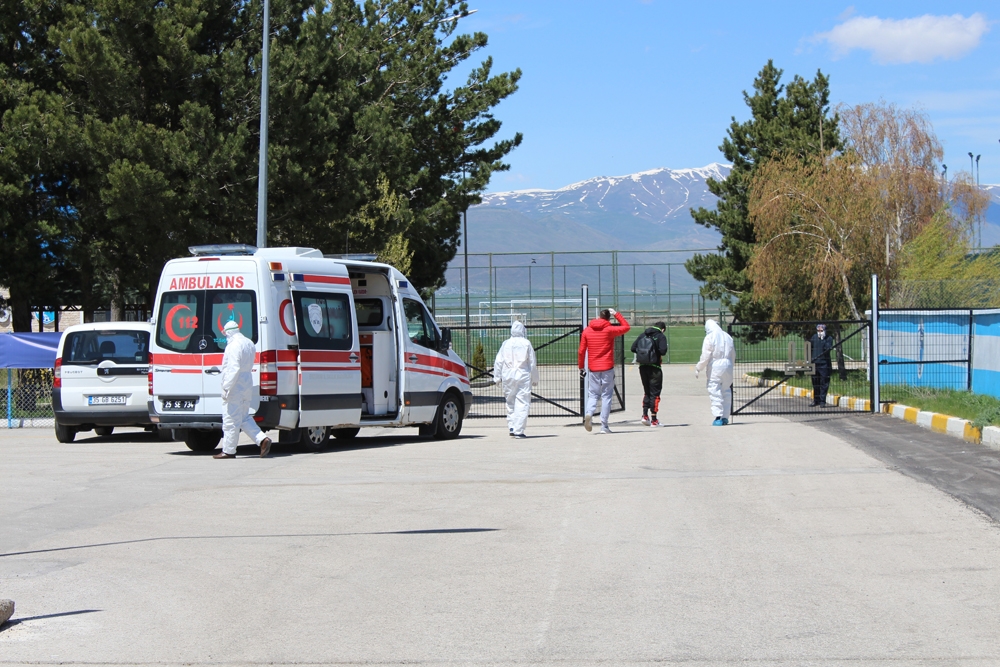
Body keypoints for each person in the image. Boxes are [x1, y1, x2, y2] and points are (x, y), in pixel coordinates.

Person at [214, 320, 273, 459]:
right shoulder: (249, 343)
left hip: (235, 386)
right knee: (243, 417)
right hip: (246, 384)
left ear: (228, 332)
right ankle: (262, 439)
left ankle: (228, 450)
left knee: (230, 419)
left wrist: (226, 387)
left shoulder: (233, 346)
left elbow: (233, 368)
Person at [578, 307, 630, 434]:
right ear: (608, 318)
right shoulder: (609, 330)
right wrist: (617, 314)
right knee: (607, 395)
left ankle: (589, 413)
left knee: (593, 394)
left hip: (593, 367)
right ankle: (604, 425)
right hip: (607, 366)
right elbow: (626, 327)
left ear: (598, 317)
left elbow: (581, 351)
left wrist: (581, 366)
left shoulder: (587, 331)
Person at [493, 321, 539, 438]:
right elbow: (532, 362)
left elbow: (499, 361)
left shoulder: (506, 343)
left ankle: (512, 426)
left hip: (507, 374)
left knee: (510, 401)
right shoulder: (526, 343)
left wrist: (497, 377)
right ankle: (519, 430)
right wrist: (535, 378)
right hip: (522, 374)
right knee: (522, 402)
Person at [694, 319, 735, 426]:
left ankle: (718, 417)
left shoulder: (710, 337)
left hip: (715, 366)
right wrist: (731, 366)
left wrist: (699, 367)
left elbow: (705, 356)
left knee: (714, 390)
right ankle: (725, 417)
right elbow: (733, 354)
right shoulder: (727, 336)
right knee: (726, 390)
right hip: (728, 365)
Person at [630, 321, 668, 426]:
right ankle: (654, 419)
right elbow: (663, 350)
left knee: (646, 391)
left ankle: (644, 415)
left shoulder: (643, 334)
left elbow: (633, 348)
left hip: (643, 367)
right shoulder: (660, 336)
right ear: (663, 329)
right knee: (655, 392)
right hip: (655, 367)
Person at [810, 323, 834, 407]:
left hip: (824, 364)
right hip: (815, 363)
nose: (820, 332)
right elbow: (810, 348)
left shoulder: (829, 338)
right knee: (815, 383)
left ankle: (822, 401)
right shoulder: (814, 337)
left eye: (821, 331)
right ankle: (815, 400)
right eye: (818, 331)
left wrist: (823, 340)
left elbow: (828, 349)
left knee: (824, 383)